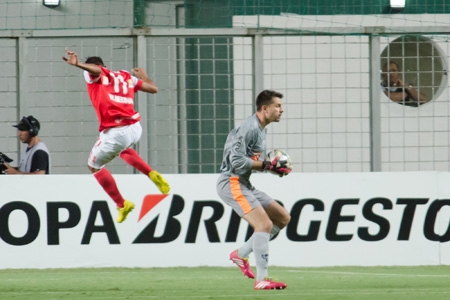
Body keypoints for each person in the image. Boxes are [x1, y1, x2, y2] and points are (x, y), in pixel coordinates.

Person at [62, 49, 170, 223]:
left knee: (94, 166)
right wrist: (144, 76)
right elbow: (153, 88)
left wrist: (79, 65)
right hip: (135, 128)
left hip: (117, 131)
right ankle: (151, 174)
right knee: (121, 150)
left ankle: (122, 204)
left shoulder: (95, 74)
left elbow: (96, 71)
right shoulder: (125, 76)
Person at [216, 89, 291, 290]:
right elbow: (237, 161)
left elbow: (252, 163)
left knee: (282, 217)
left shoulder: (260, 128)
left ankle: (240, 254)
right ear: (265, 108)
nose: (281, 110)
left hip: (245, 184)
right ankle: (262, 279)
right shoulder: (249, 128)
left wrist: (274, 168)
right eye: (278, 106)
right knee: (264, 225)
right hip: (231, 183)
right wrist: (268, 165)